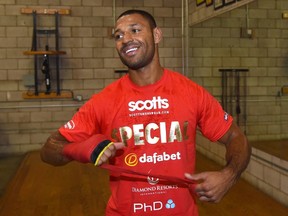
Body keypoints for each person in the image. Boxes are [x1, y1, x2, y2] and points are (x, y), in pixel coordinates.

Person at [40, 9, 251, 216]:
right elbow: (49, 150)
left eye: (135, 30)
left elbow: (236, 137)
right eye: (118, 35)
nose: (126, 39)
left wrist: (228, 176)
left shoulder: (190, 93)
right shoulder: (103, 102)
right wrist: (77, 149)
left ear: (157, 35)